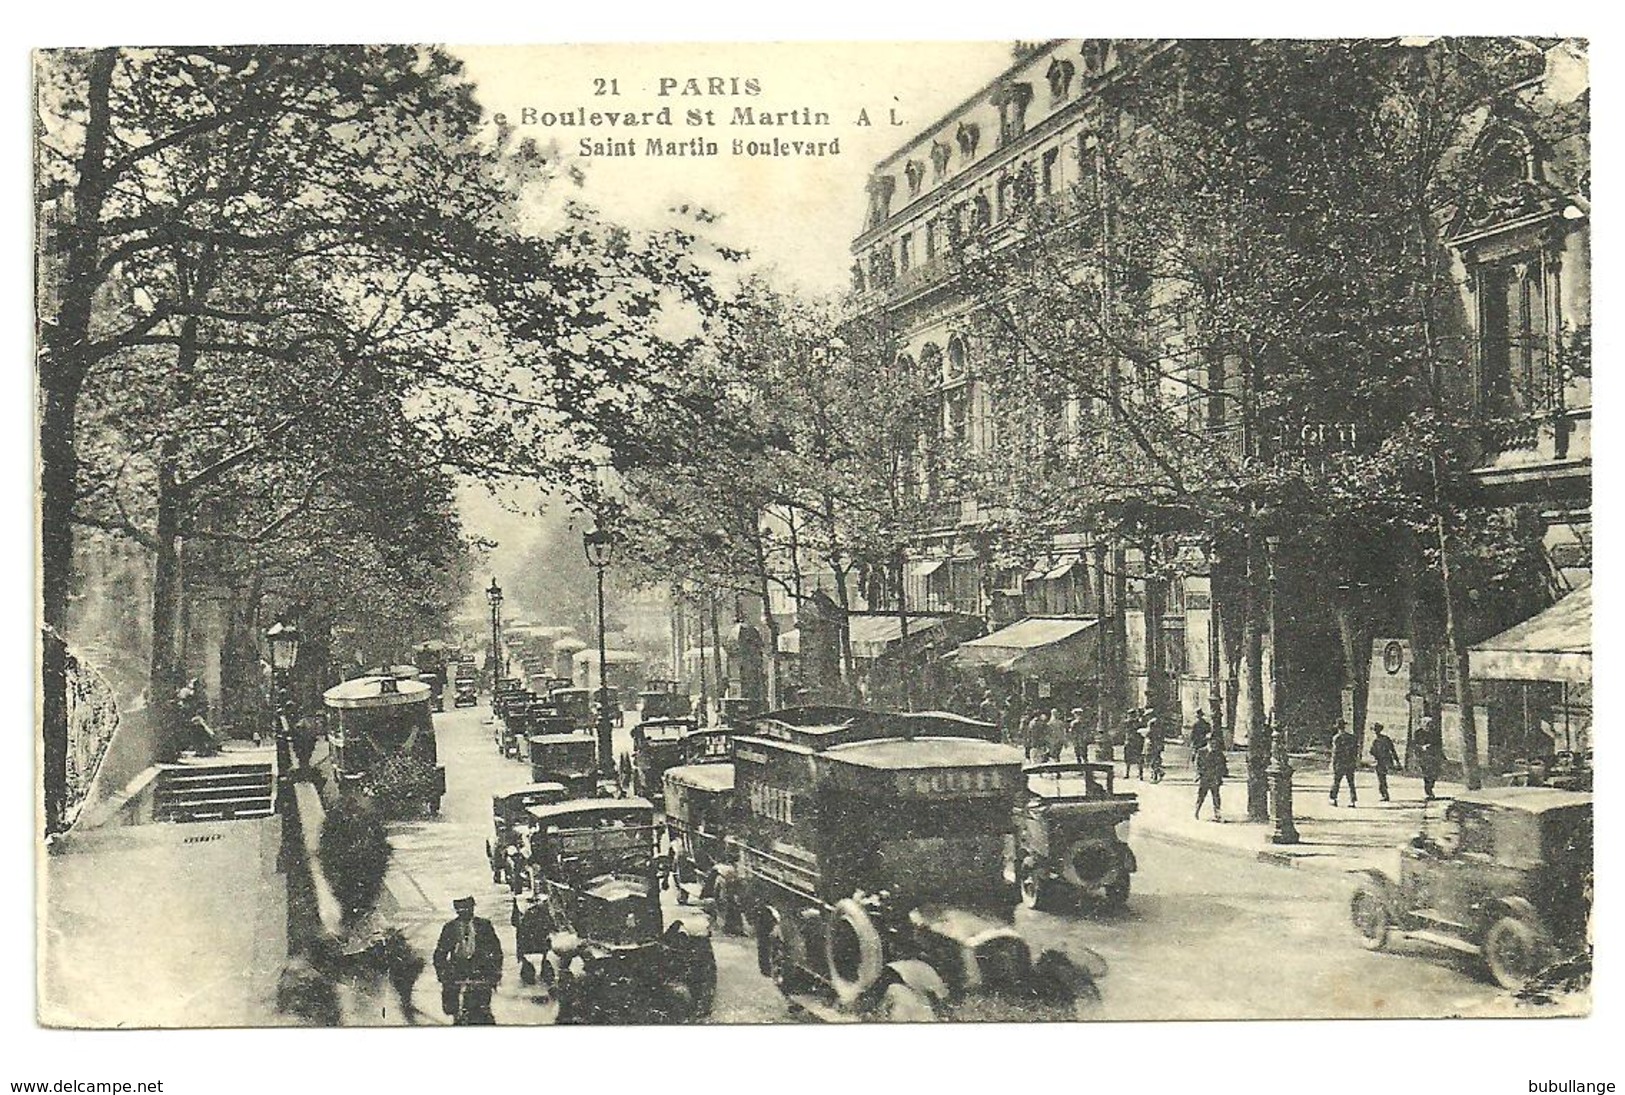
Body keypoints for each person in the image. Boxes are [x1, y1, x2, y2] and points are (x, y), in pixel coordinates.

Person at [433, 896, 504, 1025]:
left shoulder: (484, 925)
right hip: (458, 972)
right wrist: (442, 974)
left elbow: (496, 950)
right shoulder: (449, 927)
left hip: (480, 972)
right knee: (457, 1012)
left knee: (482, 1012)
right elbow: (440, 953)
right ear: (456, 911)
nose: (465, 912)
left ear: (473, 908)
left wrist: (496, 972)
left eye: (467, 909)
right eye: (461, 910)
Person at [1194, 737, 1228, 822]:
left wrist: (1222, 774)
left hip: (1215, 778)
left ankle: (1217, 814)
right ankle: (1196, 812)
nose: (1213, 745)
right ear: (1208, 743)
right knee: (1201, 795)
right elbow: (1197, 764)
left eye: (1215, 743)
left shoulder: (1219, 753)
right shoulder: (1201, 752)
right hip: (1204, 777)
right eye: (1211, 743)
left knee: (1216, 796)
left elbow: (1223, 765)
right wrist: (1199, 773)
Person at [1330, 721, 1359, 807]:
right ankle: (1352, 800)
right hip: (1350, 762)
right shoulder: (1352, 737)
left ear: (1338, 727)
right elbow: (1355, 751)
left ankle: (1334, 799)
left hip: (1340, 762)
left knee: (1336, 781)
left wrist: (1333, 763)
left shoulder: (1336, 738)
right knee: (1351, 782)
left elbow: (1335, 752)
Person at [1368, 724, 1400, 802]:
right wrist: (1397, 760)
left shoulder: (1376, 740)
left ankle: (1384, 794)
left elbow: (1371, 751)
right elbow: (1392, 750)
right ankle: (1384, 793)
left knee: (1381, 778)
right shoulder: (1386, 738)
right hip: (1385, 760)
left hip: (1380, 761)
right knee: (1382, 778)